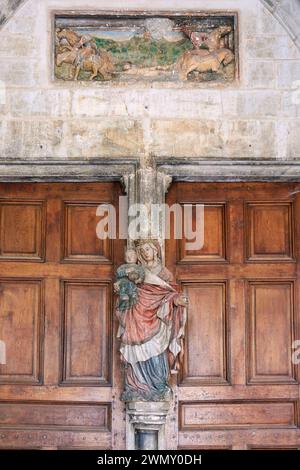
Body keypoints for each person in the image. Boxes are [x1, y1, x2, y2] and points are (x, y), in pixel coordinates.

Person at [115, 240, 188, 402]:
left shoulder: (164, 273)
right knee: (134, 350)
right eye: (142, 251)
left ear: (155, 251)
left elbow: (170, 293)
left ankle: (158, 384)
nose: (145, 253)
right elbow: (124, 290)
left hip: (155, 319)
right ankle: (136, 385)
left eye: (148, 249)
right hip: (135, 316)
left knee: (156, 350)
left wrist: (176, 300)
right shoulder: (135, 271)